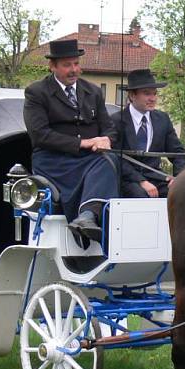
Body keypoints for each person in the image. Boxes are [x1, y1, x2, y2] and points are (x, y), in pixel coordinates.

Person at [23, 39, 118, 243]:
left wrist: (106, 140)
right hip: (53, 160)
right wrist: (83, 143)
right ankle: (86, 217)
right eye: (67, 65)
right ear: (52, 66)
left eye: (76, 64)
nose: (74, 70)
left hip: (90, 159)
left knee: (111, 161)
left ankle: (87, 217)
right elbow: (40, 135)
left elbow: (108, 126)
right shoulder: (37, 92)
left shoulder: (93, 91)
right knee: (103, 164)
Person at [110, 69, 185, 198]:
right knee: (140, 194)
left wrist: (179, 178)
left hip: (156, 177)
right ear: (132, 96)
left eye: (155, 94)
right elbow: (116, 158)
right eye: (147, 94)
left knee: (181, 193)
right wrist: (141, 181)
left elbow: (178, 152)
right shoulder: (116, 120)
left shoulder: (162, 119)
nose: (153, 99)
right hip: (128, 179)